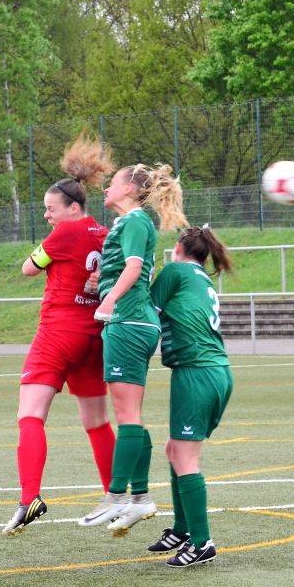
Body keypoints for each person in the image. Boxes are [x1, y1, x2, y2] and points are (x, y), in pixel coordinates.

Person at [2, 135, 117, 535]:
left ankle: (29, 497)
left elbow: (28, 268)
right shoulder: (106, 233)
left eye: (51, 209)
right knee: (97, 421)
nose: (47, 216)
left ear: (73, 207)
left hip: (58, 332)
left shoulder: (66, 233)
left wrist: (47, 253)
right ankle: (115, 495)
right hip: (94, 334)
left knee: (30, 414)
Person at [78, 163, 187, 534]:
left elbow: (135, 267)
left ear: (128, 188)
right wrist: (100, 283)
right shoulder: (130, 223)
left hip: (127, 321)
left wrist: (110, 300)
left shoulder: (135, 220)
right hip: (132, 321)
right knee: (132, 415)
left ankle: (115, 496)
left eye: (112, 183)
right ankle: (140, 498)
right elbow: (125, 267)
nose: (106, 189)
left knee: (127, 415)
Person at [146, 225, 234, 566]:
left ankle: (202, 542)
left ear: (179, 249)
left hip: (197, 371)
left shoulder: (176, 270)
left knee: (184, 457)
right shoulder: (199, 278)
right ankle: (183, 528)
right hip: (209, 370)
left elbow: (145, 310)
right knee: (175, 450)